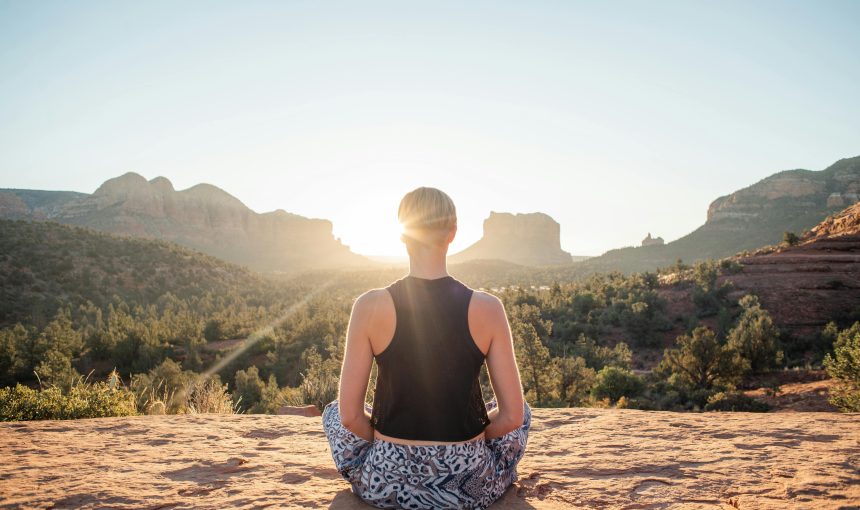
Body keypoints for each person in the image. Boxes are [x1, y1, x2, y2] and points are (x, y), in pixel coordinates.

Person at [322, 187, 531, 510]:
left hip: (388, 483)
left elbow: (350, 417)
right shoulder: (488, 308)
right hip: (466, 485)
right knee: (525, 412)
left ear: (402, 235)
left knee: (334, 412)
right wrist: (465, 444)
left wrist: (387, 444)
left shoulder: (369, 306)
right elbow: (512, 416)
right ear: (453, 234)